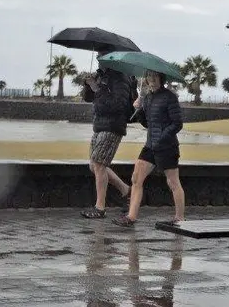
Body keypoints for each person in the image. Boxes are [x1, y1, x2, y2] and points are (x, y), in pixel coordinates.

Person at [113, 70, 185, 227]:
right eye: (149, 76)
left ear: (161, 78)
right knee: (136, 179)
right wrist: (138, 109)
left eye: (155, 76)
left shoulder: (170, 97)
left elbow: (177, 124)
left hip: (167, 147)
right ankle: (130, 217)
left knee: (173, 182)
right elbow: (147, 123)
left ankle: (180, 218)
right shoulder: (148, 97)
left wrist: (162, 138)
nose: (151, 79)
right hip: (150, 145)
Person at [79, 50, 138, 219]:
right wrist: (88, 85)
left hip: (113, 125)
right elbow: (89, 99)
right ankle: (126, 191)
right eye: (98, 56)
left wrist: (97, 89)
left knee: (99, 164)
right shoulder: (101, 74)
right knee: (94, 165)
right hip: (99, 125)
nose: (99, 58)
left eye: (102, 55)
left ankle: (100, 208)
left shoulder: (121, 77)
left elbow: (117, 105)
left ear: (111, 58)